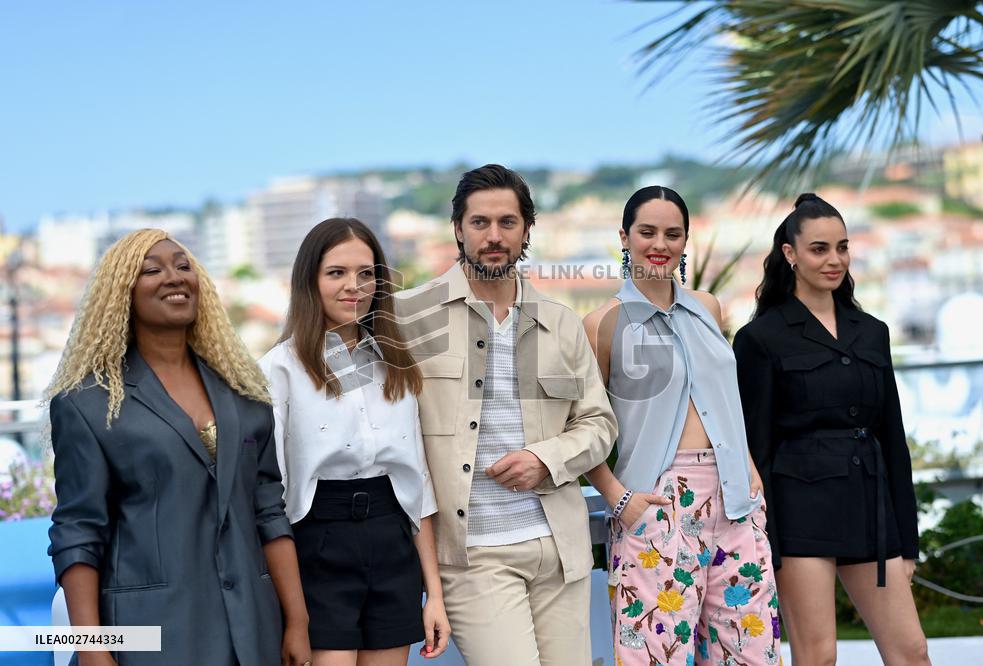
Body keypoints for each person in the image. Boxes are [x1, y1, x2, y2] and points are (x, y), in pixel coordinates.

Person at [45, 229, 311, 666]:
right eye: (152, 270)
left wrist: (297, 621)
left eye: (184, 266)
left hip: (252, 630)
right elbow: (77, 531)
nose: (174, 277)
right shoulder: (86, 405)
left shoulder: (244, 396)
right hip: (149, 639)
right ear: (120, 294)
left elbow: (269, 512)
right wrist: (91, 650)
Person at [393, 164, 617, 666]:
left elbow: (600, 425)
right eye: (479, 223)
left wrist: (546, 457)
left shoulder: (559, 322)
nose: (493, 237)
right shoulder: (408, 317)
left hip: (562, 552)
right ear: (457, 228)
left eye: (507, 223)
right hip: (473, 558)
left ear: (527, 230)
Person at [583, 186, 780, 666]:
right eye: (647, 231)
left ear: (686, 241)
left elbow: (725, 400)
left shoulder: (708, 308)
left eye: (673, 234)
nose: (660, 243)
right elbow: (581, 423)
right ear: (624, 238)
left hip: (735, 500)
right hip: (655, 501)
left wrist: (750, 472)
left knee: (752, 654)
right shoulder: (602, 323)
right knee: (657, 656)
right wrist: (618, 499)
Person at [732, 193, 930, 665]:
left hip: (871, 508)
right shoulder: (760, 338)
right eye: (819, 248)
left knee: (912, 651)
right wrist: (767, 540)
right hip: (801, 512)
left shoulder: (872, 330)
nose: (834, 259)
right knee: (817, 656)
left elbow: (893, 439)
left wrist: (908, 539)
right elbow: (753, 447)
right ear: (790, 254)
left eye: (842, 247)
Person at [259, 218, 450, 666]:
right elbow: (270, 495)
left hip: (392, 543)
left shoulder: (396, 364)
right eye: (337, 273)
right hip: (317, 543)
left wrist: (434, 595)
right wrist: (292, 615)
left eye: (367, 273)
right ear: (310, 280)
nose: (355, 286)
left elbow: (416, 484)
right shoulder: (278, 370)